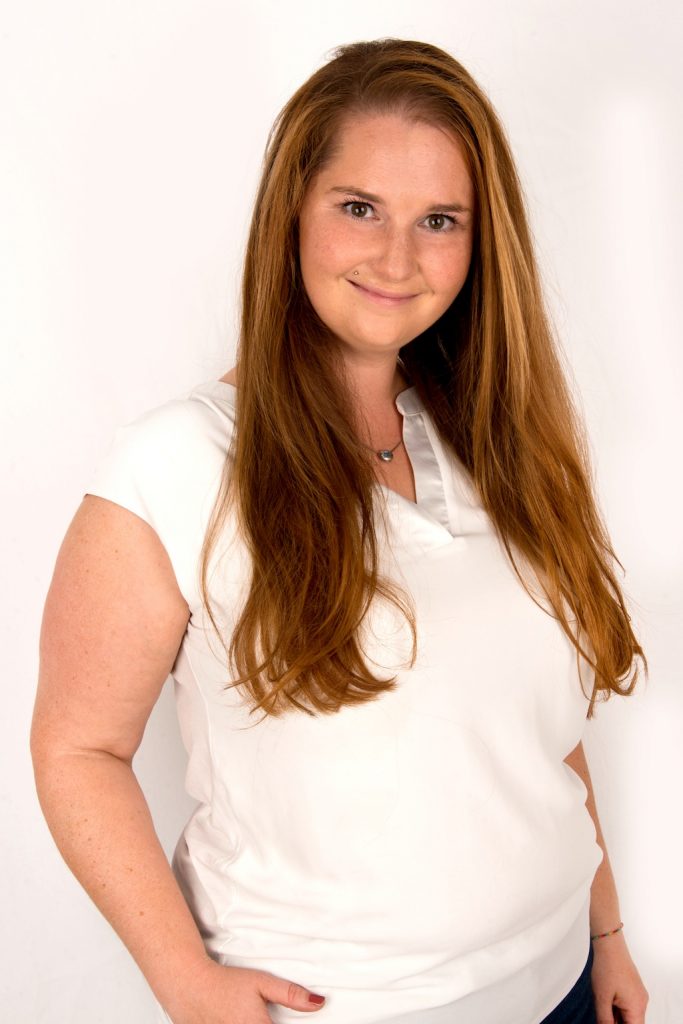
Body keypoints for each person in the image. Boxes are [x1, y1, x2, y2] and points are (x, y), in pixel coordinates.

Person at [31, 38, 650, 1024]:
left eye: (438, 220)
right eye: (359, 207)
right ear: (292, 212)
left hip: (560, 983)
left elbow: (538, 732)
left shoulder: (498, 444)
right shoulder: (176, 464)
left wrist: (606, 933)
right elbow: (78, 748)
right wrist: (186, 984)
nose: (396, 259)